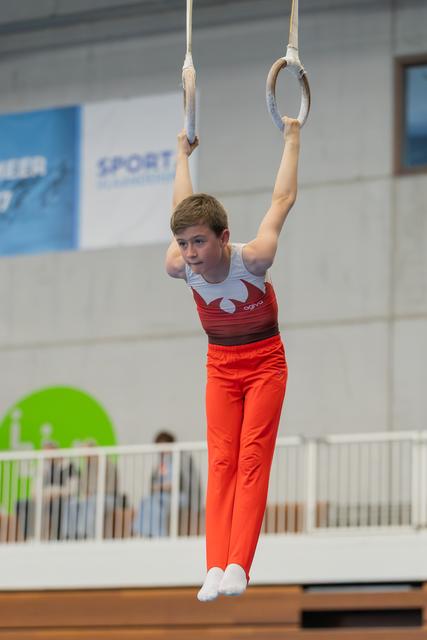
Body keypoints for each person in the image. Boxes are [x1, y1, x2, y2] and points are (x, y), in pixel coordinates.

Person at [165, 116, 300, 601]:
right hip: (220, 367)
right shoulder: (179, 267)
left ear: (224, 237)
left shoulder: (254, 257)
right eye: (183, 243)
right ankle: (213, 565)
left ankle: (240, 563)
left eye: (199, 241)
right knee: (221, 461)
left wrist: (291, 137)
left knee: (251, 459)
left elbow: (281, 200)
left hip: (265, 364)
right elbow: (182, 206)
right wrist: (183, 154)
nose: (191, 253)